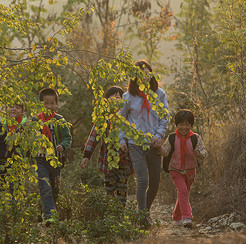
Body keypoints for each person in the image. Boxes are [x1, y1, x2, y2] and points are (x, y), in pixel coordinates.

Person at [119, 60, 169, 223]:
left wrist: (159, 135)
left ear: (151, 74)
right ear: (134, 77)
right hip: (135, 144)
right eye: (140, 74)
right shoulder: (128, 97)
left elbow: (164, 117)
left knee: (155, 181)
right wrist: (122, 139)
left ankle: (145, 212)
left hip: (153, 144)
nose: (144, 77)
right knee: (143, 179)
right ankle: (142, 216)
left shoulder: (159, 94)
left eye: (147, 73)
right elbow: (121, 119)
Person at [80, 86, 134, 205]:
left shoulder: (127, 118)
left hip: (124, 159)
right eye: (112, 97)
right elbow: (93, 137)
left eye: (118, 97)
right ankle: (109, 211)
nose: (115, 99)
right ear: (106, 101)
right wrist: (86, 156)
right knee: (109, 188)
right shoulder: (102, 119)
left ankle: (120, 213)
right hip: (107, 160)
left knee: (122, 188)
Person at [160, 109, 207, 228]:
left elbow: (204, 153)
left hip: (190, 169)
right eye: (181, 124)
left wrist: (199, 152)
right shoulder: (172, 137)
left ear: (191, 125)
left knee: (184, 192)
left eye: (187, 124)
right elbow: (165, 152)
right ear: (177, 125)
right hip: (175, 169)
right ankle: (187, 217)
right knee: (183, 191)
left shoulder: (195, 138)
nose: (184, 127)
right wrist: (157, 148)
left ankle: (176, 217)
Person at [34, 88, 71, 225]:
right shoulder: (36, 120)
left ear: (56, 104)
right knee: (45, 186)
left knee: (55, 188)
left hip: (56, 160)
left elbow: (67, 137)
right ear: (41, 104)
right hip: (40, 159)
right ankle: (50, 216)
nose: (49, 106)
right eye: (46, 103)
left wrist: (63, 145)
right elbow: (29, 137)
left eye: (52, 103)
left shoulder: (60, 120)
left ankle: (47, 211)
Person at [0, 102, 28, 193]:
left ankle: (16, 206)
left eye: (17, 108)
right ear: (5, 109)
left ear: (22, 111)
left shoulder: (25, 127)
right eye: (11, 106)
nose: (14, 109)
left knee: (16, 189)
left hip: (17, 163)